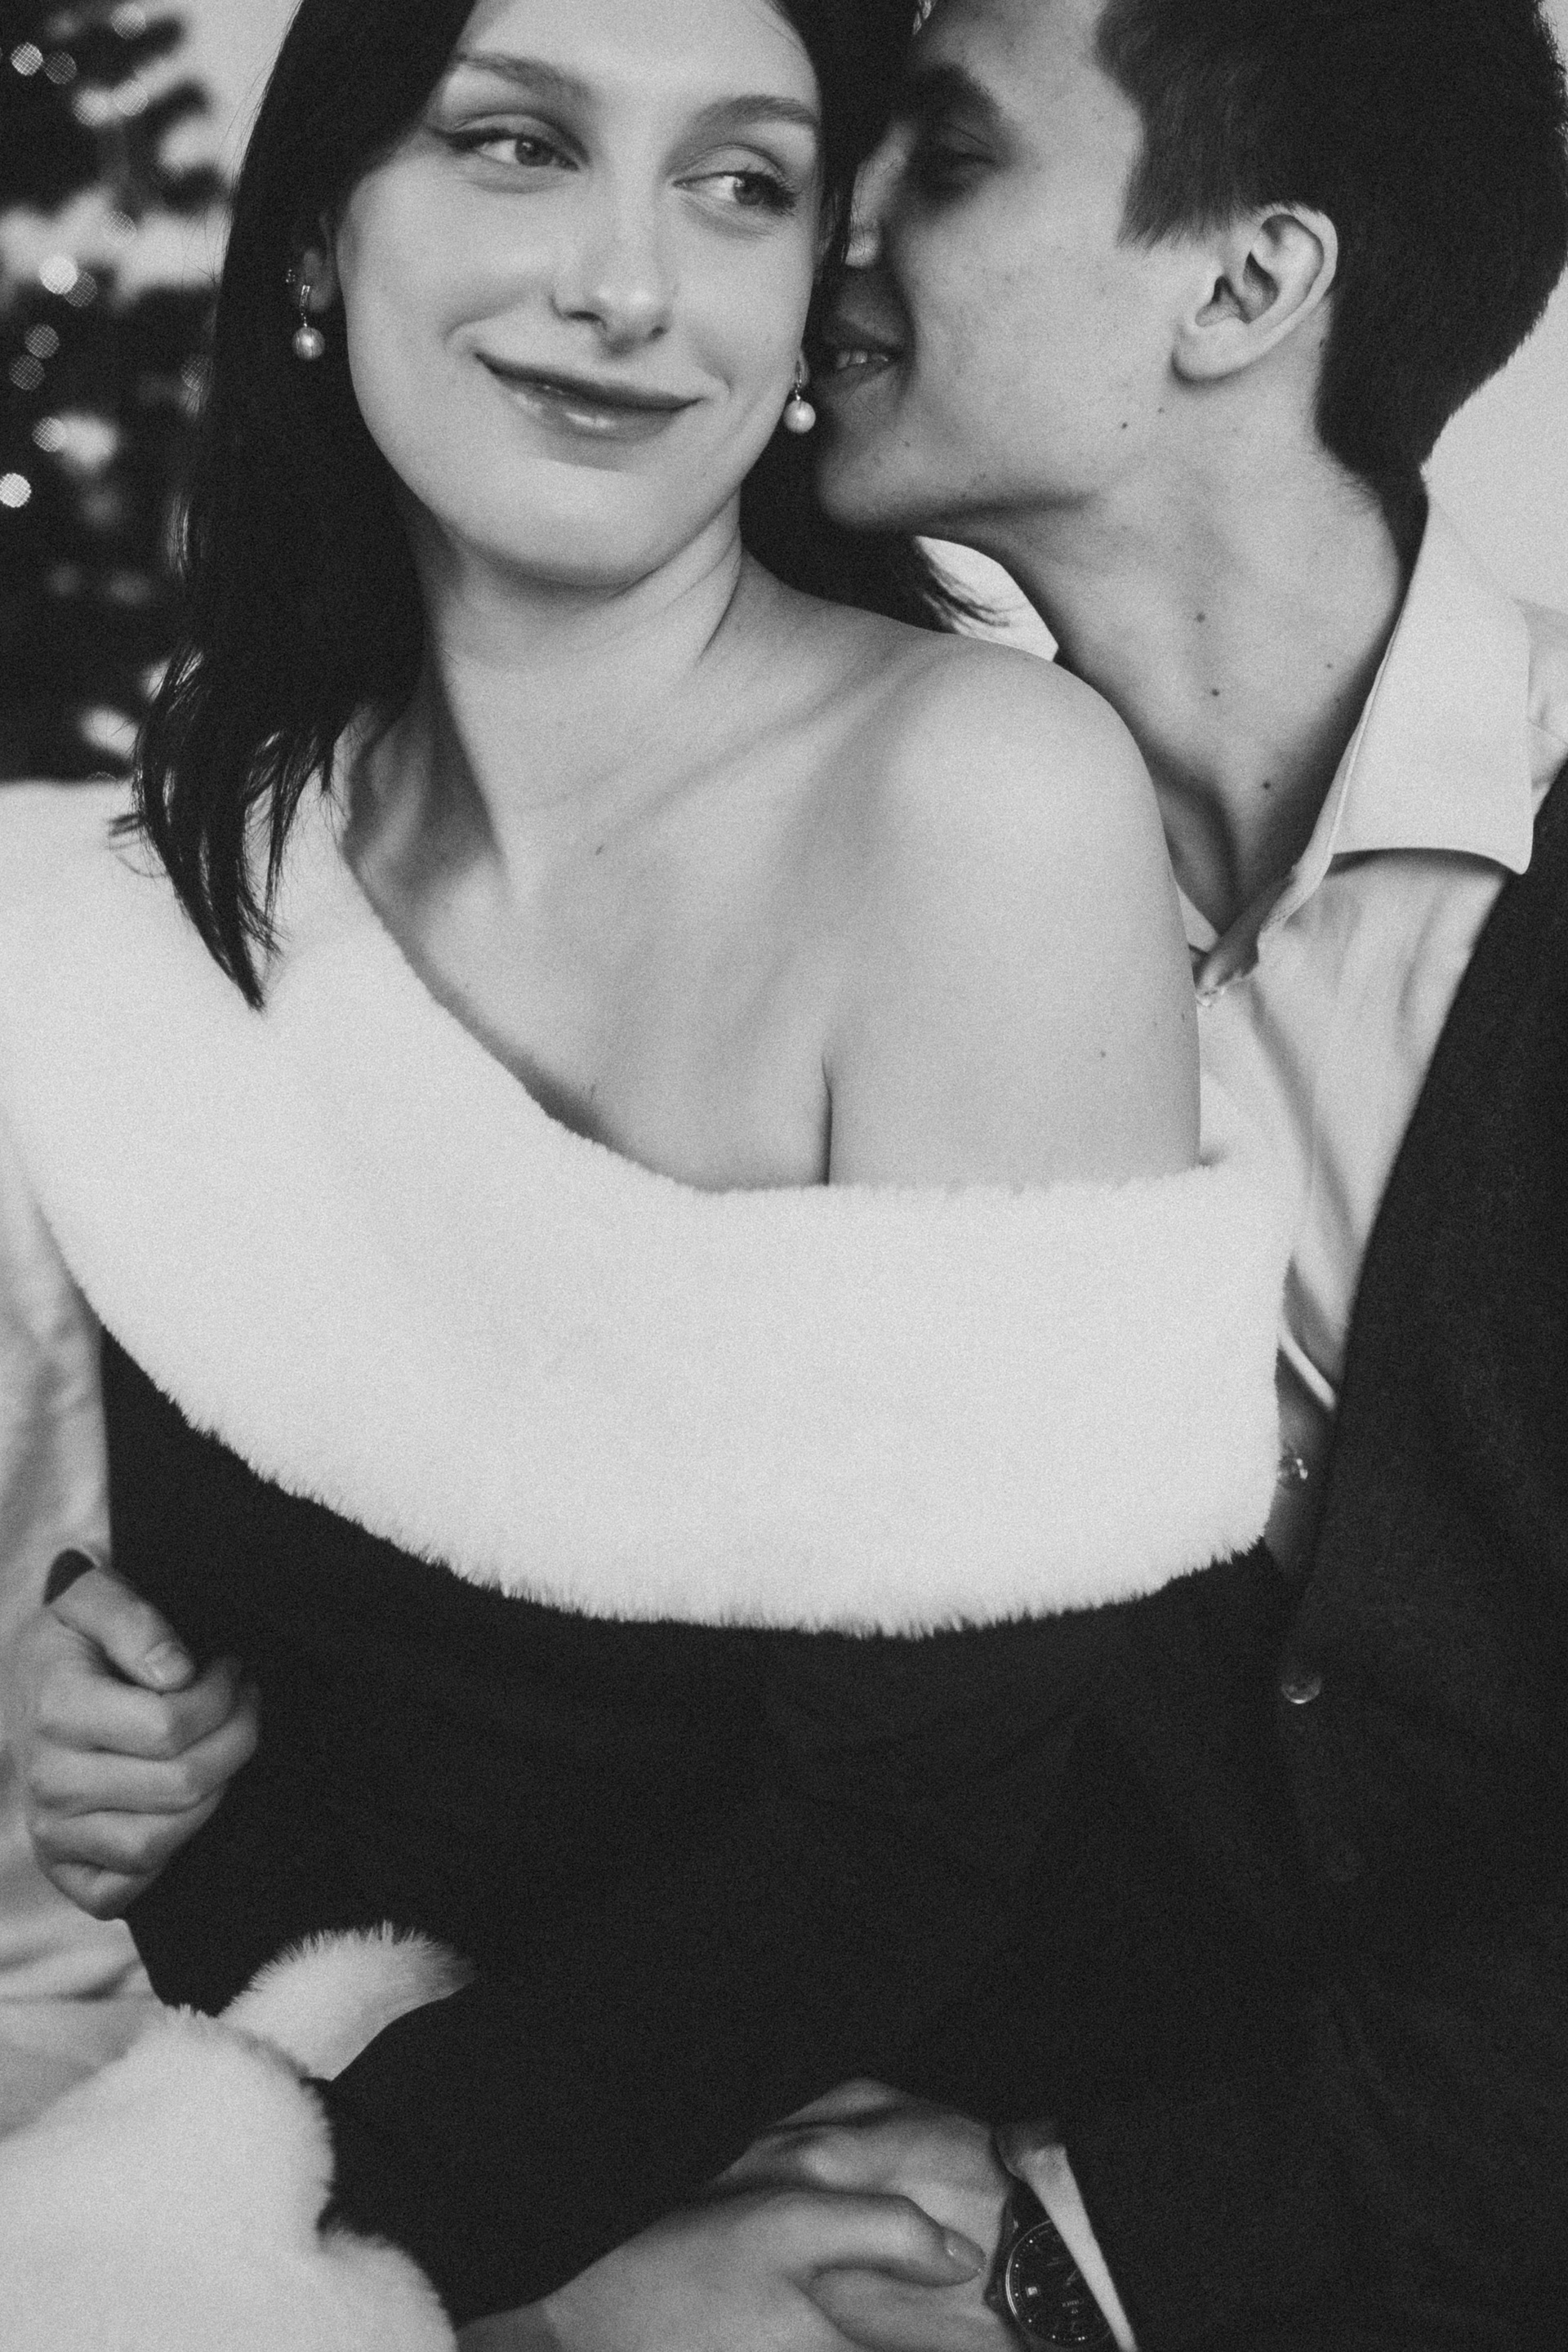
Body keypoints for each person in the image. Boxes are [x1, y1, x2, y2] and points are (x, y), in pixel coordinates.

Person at [22, 0, 1568, 2344]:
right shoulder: (851, 822)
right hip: (791, 2147)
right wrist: (163, 1702)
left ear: (1246, 284)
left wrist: (1080, 2252)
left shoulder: (1009, 820)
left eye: (929, 160)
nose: (802, 249)